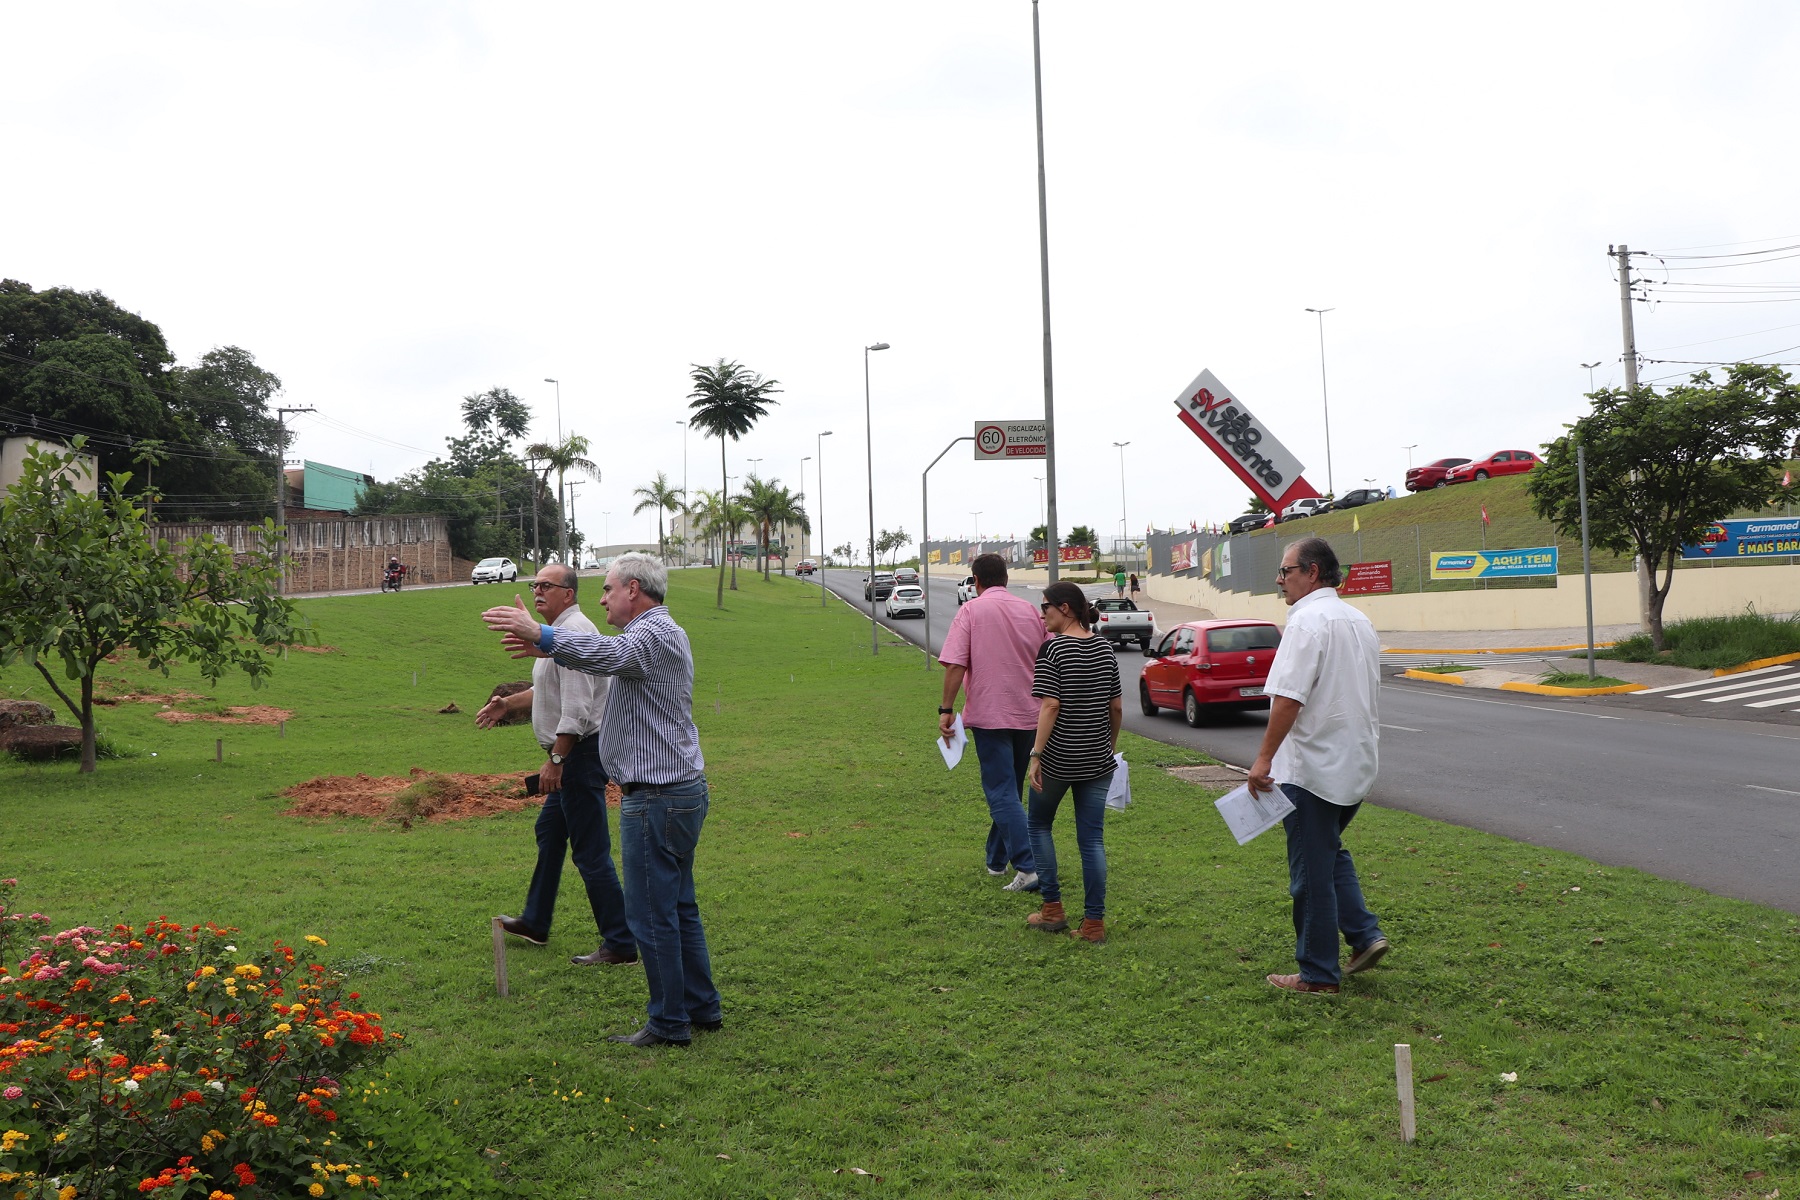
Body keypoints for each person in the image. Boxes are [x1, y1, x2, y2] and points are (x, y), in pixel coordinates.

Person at [483, 553, 721, 1047]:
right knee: (679, 908)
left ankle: (669, 1023)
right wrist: (545, 650)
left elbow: (606, 656)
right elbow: (605, 656)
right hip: (674, 793)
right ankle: (701, 1009)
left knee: (654, 915)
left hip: (657, 798)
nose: (603, 597)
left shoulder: (650, 635)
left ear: (633, 589)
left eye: (608, 589)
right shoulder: (655, 633)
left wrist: (540, 634)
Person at [1248, 536, 1390, 994]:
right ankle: (1364, 935)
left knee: (1310, 873)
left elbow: (1289, 698)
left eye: (1286, 570)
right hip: (1355, 763)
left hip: (1313, 770)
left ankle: (1317, 974)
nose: (1280, 579)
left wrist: (1264, 757)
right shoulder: (1358, 619)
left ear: (1312, 572)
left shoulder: (1307, 623)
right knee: (1327, 854)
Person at [476, 563, 635, 968]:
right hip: (573, 756)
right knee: (549, 832)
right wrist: (507, 703)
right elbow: (547, 688)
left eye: (547, 585)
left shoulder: (575, 634)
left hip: (578, 756)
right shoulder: (558, 639)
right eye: (535, 585)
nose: (537, 591)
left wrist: (556, 760)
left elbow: (579, 709)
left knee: (590, 852)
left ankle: (620, 942)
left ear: (569, 593)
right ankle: (535, 920)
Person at [938, 552, 1045, 892]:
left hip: (990, 714)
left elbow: (955, 664)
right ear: (1007, 579)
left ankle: (1029, 867)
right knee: (1011, 790)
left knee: (1000, 791)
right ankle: (996, 860)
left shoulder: (970, 610)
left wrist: (945, 709)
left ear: (976, 582)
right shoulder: (1028, 610)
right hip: (1029, 715)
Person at [1023, 582, 1123, 944]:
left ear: (1065, 608)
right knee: (1092, 840)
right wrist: (1107, 747)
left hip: (1057, 761)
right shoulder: (1104, 648)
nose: (1041, 613)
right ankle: (1094, 923)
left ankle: (1052, 909)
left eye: (1045, 606)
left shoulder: (1052, 650)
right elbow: (1116, 707)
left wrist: (1035, 755)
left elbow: (1050, 705)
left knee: (1038, 825)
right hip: (1097, 760)